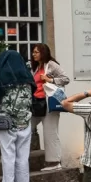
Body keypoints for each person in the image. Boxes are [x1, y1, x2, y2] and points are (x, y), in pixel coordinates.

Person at [0, 49, 35, 182]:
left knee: (8, 157)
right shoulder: (28, 80)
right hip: (25, 122)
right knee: (23, 158)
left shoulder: (3, 79)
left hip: (7, 123)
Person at [30, 43, 70, 171]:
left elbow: (66, 78)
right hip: (36, 103)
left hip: (49, 103)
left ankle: (54, 162)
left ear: (43, 52)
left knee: (50, 132)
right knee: (26, 126)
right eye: (33, 52)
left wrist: (50, 80)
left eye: (36, 52)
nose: (33, 54)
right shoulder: (35, 67)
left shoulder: (51, 65)